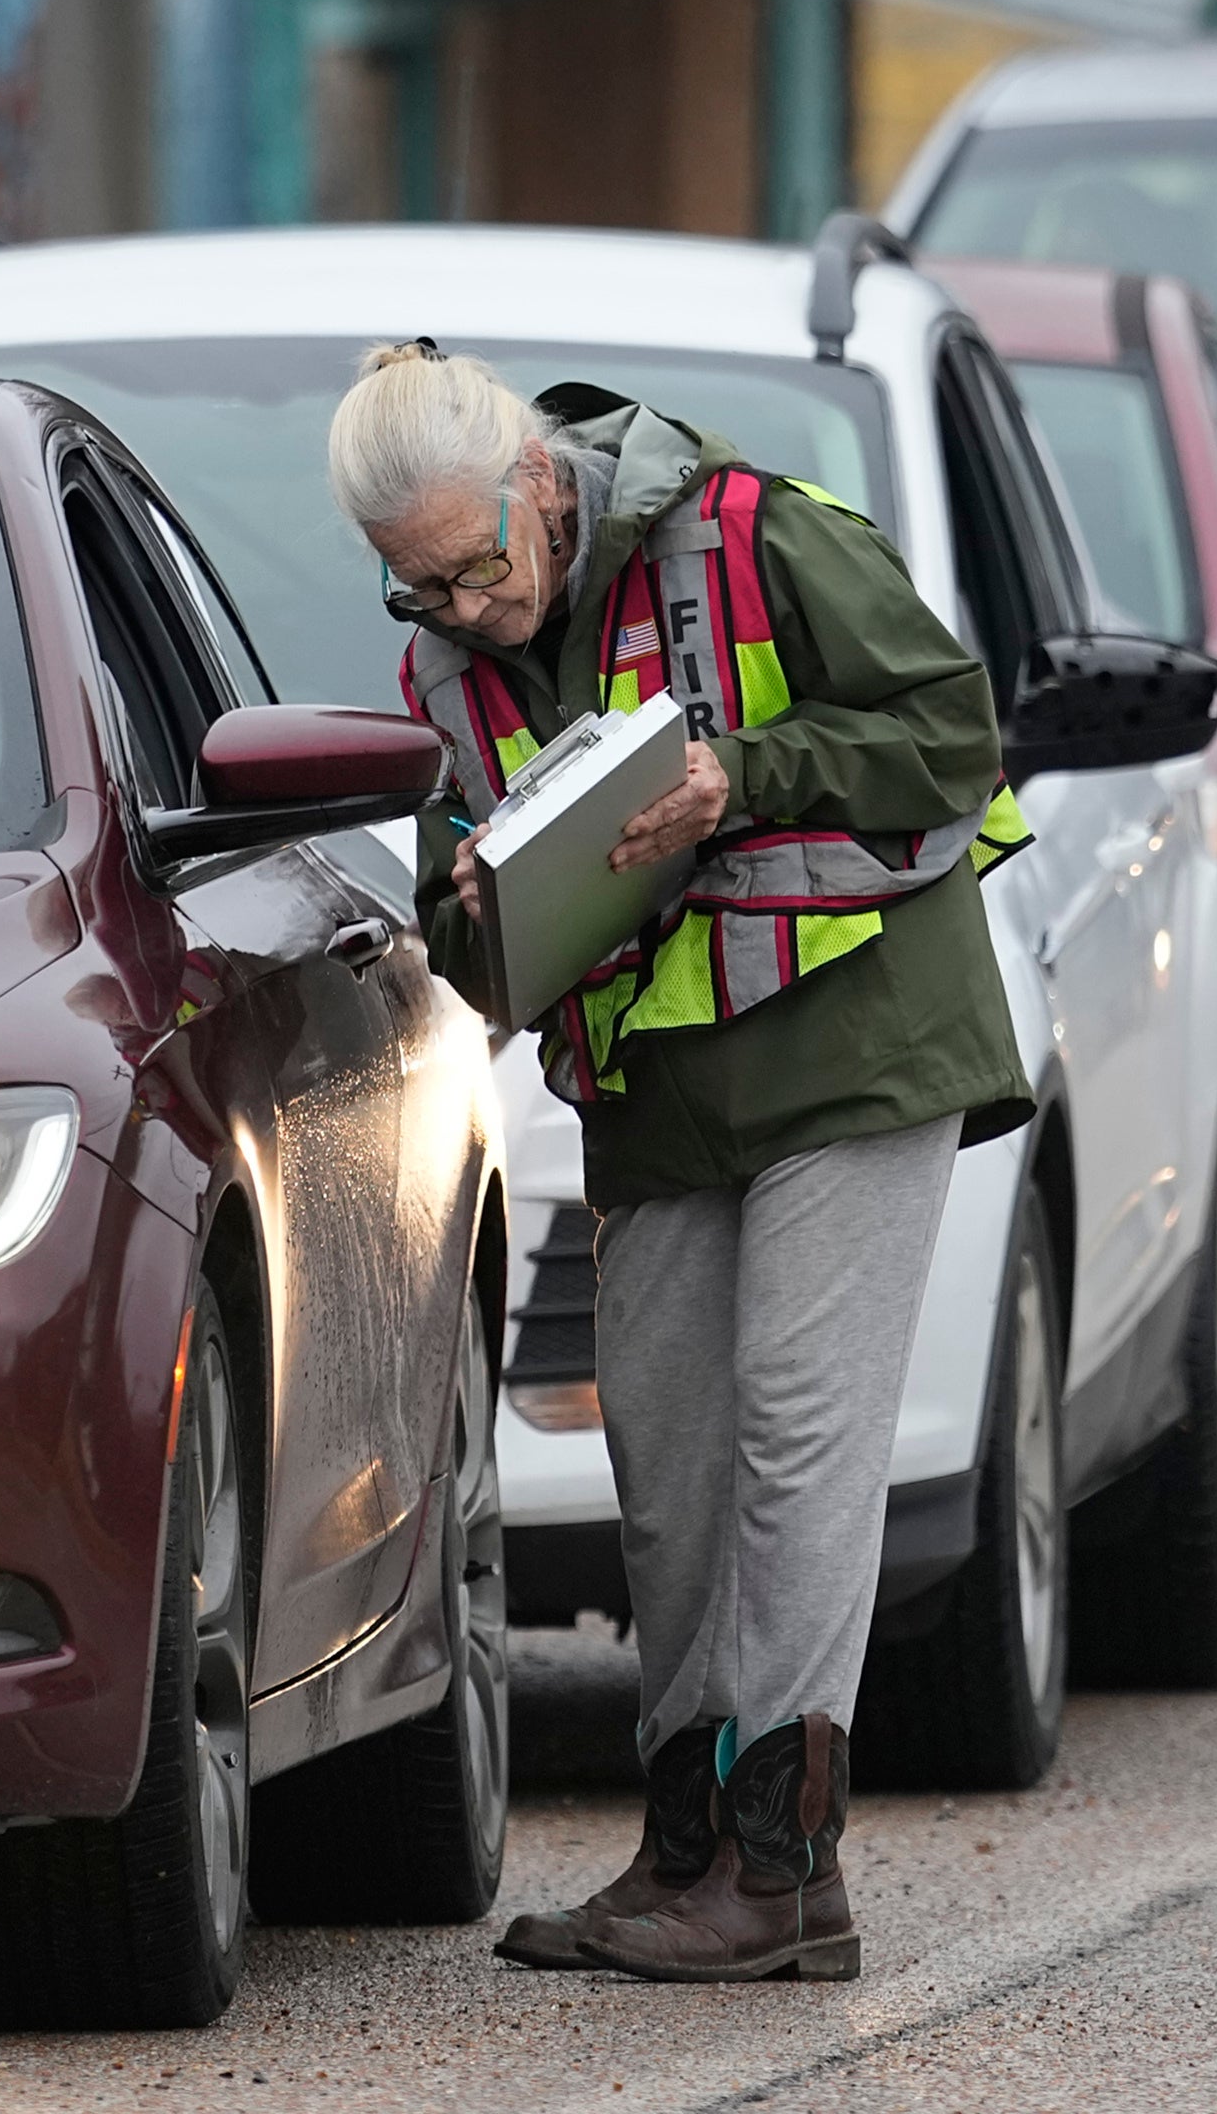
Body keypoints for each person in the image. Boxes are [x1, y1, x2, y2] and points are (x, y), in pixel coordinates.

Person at [326, 339, 1024, 1988]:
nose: (468, 611)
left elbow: (954, 732)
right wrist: (474, 918)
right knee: (675, 1465)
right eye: (420, 591)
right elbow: (466, 933)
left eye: (480, 566)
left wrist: (742, 774)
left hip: (856, 1044)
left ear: (541, 484)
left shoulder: (758, 532)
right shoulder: (447, 665)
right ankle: (691, 1850)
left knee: (796, 1438)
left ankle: (788, 1877)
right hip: (660, 1097)